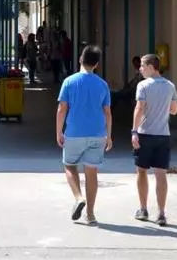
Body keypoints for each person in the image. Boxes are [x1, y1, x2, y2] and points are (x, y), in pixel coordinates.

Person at [56, 44, 113, 225]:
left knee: (69, 165)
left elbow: (62, 108)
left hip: (74, 133)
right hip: (98, 134)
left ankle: (78, 197)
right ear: (97, 64)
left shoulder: (69, 82)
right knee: (92, 172)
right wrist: (109, 135)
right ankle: (90, 214)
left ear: (80, 59)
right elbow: (107, 112)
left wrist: (59, 131)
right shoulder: (103, 85)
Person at [131, 53, 177, 226]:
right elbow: (174, 110)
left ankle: (143, 209)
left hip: (145, 134)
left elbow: (139, 108)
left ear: (151, 67)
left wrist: (134, 131)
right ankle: (161, 213)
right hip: (163, 135)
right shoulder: (170, 86)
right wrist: (162, 107)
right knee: (161, 174)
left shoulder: (143, 85)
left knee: (141, 171)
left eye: (143, 66)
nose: (140, 69)